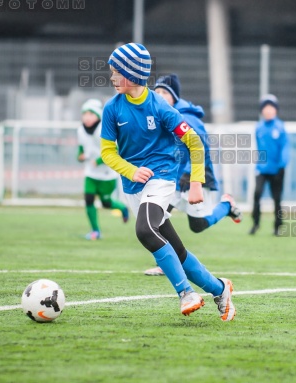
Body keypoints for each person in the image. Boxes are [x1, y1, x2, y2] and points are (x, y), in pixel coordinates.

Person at [100, 42, 235, 321]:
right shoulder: (112, 109)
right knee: (178, 250)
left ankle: (185, 293)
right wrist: (129, 170)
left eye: (116, 72)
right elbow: (107, 152)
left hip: (162, 176)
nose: (111, 77)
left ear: (132, 74)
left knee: (145, 231)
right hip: (133, 185)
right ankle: (220, 288)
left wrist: (196, 183)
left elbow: (194, 143)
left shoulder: (160, 107)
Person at [143, 73, 242, 276]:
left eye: (165, 92)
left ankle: (226, 205)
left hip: (194, 177)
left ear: (175, 97)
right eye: (157, 91)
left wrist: (191, 175)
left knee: (197, 225)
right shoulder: (159, 115)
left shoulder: (186, 118)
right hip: (171, 178)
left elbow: (200, 148)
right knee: (156, 217)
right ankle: (165, 262)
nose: (160, 95)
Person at [77, 98, 129, 240]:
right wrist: (79, 156)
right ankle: (95, 231)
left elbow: (115, 149)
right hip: (91, 173)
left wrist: (99, 161)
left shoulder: (104, 129)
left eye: (90, 114)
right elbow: (81, 148)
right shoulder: (80, 130)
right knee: (88, 199)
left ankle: (123, 208)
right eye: (84, 113)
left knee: (106, 203)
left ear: (98, 115)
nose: (87, 117)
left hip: (107, 175)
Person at [249, 94, 290, 236]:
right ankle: (255, 223)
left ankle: (278, 226)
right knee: (257, 194)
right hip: (261, 168)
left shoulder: (280, 127)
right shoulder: (259, 128)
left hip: (277, 169)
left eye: (271, 108)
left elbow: (285, 147)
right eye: (265, 108)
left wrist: (282, 165)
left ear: (276, 110)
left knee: (277, 198)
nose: (268, 111)